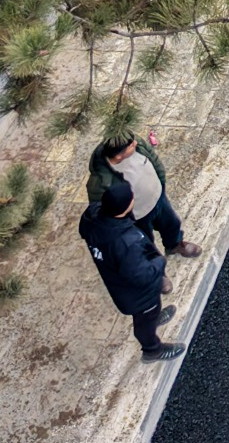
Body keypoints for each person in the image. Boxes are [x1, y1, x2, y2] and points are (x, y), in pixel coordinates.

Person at [78, 176, 185, 361]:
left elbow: (84, 231)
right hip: (137, 295)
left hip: (118, 283)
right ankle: (152, 349)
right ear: (124, 207)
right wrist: (159, 262)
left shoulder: (92, 216)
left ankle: (155, 318)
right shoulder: (126, 243)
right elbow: (141, 275)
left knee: (150, 313)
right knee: (144, 318)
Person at [85, 128, 203, 261]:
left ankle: (175, 244)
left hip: (159, 199)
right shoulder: (100, 182)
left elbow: (154, 159)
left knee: (172, 224)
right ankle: (152, 261)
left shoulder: (137, 145)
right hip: (137, 216)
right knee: (145, 241)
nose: (135, 143)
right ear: (119, 155)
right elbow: (100, 210)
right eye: (131, 145)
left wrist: (161, 184)